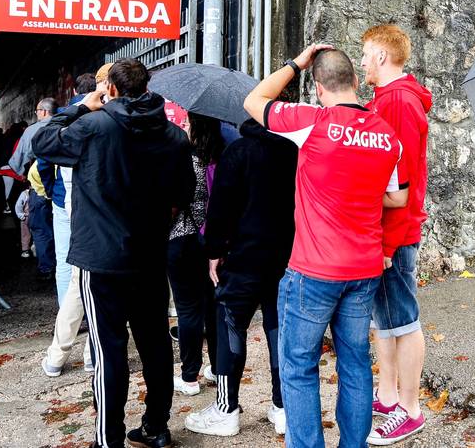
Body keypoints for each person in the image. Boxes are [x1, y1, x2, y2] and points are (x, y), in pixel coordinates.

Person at [242, 45, 409, 448]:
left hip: (313, 271)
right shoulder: (387, 135)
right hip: (364, 269)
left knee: (299, 366)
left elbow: (253, 100)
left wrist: (295, 63)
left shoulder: (310, 120)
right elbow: (399, 198)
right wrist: (361, 190)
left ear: (318, 89)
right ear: (355, 82)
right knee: (354, 362)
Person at [34, 59, 194, 448]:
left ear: (113, 90)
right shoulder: (173, 135)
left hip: (101, 257)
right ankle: (156, 426)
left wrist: (80, 107)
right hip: (150, 254)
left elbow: (41, 141)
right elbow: (184, 193)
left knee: (110, 349)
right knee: (155, 344)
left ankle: (109, 438)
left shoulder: (94, 124)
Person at [182, 118, 299, 437]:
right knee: (279, 330)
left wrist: (213, 251)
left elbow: (220, 210)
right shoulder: (293, 151)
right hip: (283, 257)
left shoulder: (236, 153)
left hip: (241, 260)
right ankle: (283, 406)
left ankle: (226, 407)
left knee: (230, 326)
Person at [359, 24, 433, 444]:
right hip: (387, 231)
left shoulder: (399, 102)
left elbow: (400, 182)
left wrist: (386, 243)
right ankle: (388, 397)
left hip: (395, 233)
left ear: (383, 57)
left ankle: (410, 409)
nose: (364, 61)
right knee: (385, 318)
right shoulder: (388, 99)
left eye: (367, 54)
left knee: (403, 320)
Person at [39, 72, 100, 379]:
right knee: (97, 286)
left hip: (81, 212)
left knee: (78, 279)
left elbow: (43, 147)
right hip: (114, 219)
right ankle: (91, 354)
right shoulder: (124, 124)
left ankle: (58, 355)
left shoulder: (78, 120)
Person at [169, 113, 223, 396]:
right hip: (210, 242)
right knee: (212, 308)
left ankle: (189, 377)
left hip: (179, 239)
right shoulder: (218, 159)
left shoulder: (182, 159)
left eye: (188, 124)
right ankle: (216, 368)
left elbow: (172, 203)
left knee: (188, 310)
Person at [9, 98, 58, 282]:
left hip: (39, 187)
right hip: (64, 187)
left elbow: (18, 160)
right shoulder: (69, 123)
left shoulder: (32, 130)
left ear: (44, 111)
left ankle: (46, 267)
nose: (36, 114)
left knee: (40, 227)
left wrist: (23, 175)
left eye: (37, 110)